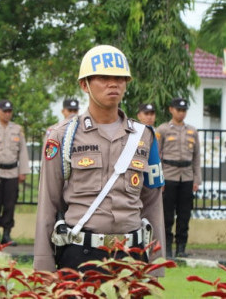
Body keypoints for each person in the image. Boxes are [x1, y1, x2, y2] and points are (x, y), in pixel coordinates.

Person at [34, 45, 165, 273]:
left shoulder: (144, 136)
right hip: (80, 256)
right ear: (84, 85)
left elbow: (153, 202)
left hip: (131, 255)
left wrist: (156, 262)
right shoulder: (62, 136)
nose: (113, 83)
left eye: (120, 78)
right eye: (104, 77)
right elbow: (48, 202)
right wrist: (44, 268)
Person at [156, 97, 200, 258]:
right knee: (167, 215)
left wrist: (197, 179)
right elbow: (157, 156)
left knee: (184, 214)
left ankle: (181, 249)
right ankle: (167, 249)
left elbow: (196, 157)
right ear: (171, 110)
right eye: (178, 110)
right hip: (169, 175)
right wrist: (159, 180)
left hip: (187, 176)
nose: (181, 113)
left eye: (184, 110)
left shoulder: (192, 131)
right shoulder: (162, 129)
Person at [0, 99, 30, 246]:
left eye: (9, 111)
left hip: (12, 172)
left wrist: (23, 171)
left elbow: (23, 152)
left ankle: (6, 233)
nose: (7, 114)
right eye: (4, 111)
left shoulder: (17, 129)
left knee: (10, 204)